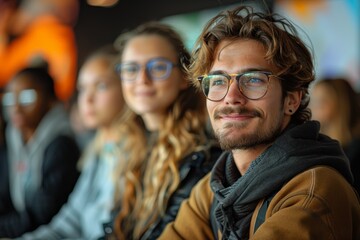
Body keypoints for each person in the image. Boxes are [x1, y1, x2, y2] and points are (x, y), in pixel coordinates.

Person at [159, 6, 360, 240]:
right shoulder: (215, 186)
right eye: (218, 81)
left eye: (254, 79)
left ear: (291, 100)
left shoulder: (315, 192)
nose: (231, 96)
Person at [103, 22, 222, 240]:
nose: (142, 79)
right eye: (131, 69)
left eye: (157, 67)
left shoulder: (203, 156)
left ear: (184, 77)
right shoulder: (133, 145)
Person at [19, 45, 125, 239]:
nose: (88, 99)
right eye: (83, 89)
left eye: (101, 86)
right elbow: (70, 220)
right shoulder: (98, 149)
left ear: (126, 87)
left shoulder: (139, 154)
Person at [0, 65, 80, 238]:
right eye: (9, 98)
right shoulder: (13, 136)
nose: (16, 107)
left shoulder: (61, 144)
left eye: (27, 97)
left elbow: (43, 213)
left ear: (50, 100)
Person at [0, 0, 79, 102]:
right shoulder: (58, 34)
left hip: (43, 106)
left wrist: (1, 33)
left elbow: (2, 72)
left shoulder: (45, 33)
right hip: (53, 103)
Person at [310, 77, 360, 193]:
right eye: (313, 101)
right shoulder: (320, 145)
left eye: (321, 101)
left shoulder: (355, 151)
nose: (313, 108)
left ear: (340, 103)